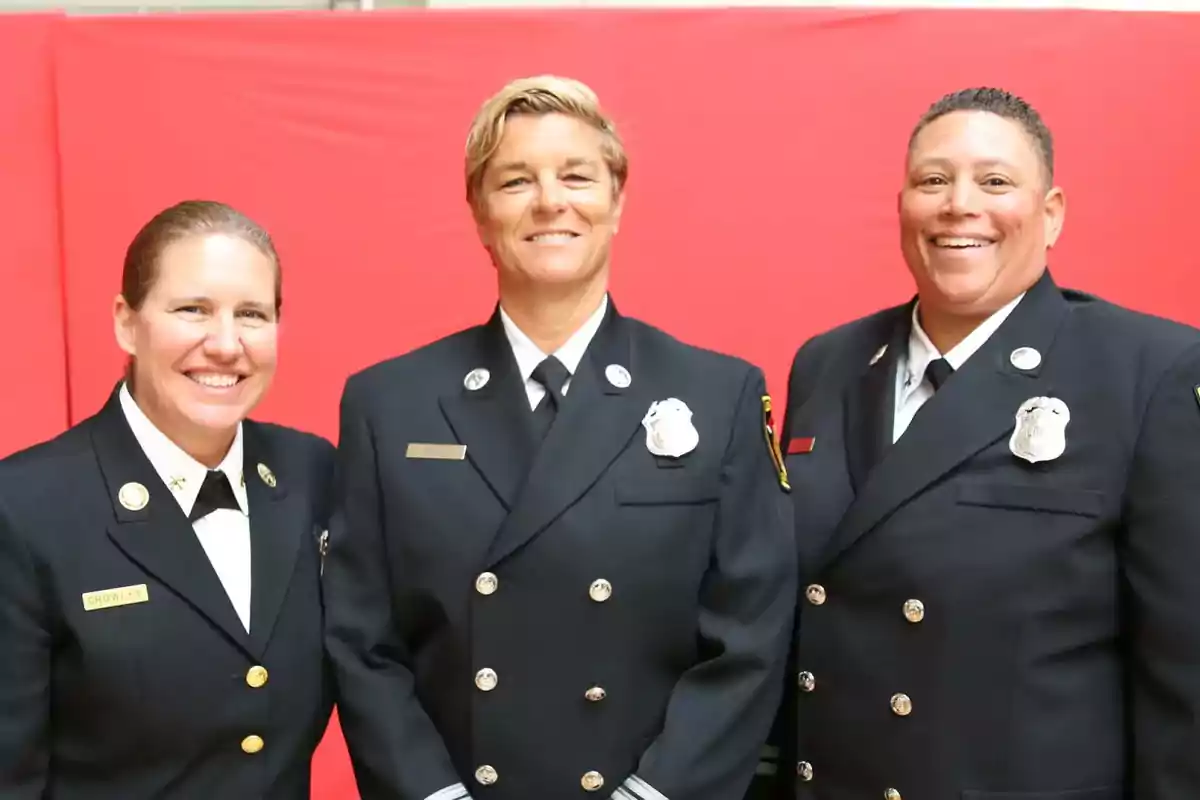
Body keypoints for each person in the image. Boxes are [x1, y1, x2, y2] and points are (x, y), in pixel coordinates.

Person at [324, 74, 797, 800]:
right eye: (516, 181)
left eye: (576, 175)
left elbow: (750, 637)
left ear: (617, 201)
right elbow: (361, 641)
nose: (551, 201)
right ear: (479, 213)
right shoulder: (389, 404)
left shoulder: (719, 395)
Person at [756, 87, 1200, 800]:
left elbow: (1186, 672)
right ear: (902, 205)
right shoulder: (828, 364)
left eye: (995, 181)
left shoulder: (1147, 372)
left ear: (1051, 215)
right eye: (934, 180)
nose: (960, 204)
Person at [0, 200, 335, 799]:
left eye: (252, 314)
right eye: (193, 310)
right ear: (127, 322)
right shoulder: (23, 509)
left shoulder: (314, 476)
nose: (226, 344)